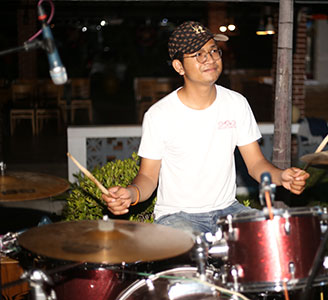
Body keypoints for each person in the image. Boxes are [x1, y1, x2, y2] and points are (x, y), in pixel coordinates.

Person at [102, 21, 310, 235]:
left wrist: (281, 176)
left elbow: (256, 163)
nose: (210, 59)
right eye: (199, 54)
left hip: (227, 210)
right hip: (178, 216)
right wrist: (130, 194)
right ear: (179, 66)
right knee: (189, 259)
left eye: (213, 51)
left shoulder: (236, 103)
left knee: (269, 238)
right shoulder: (159, 115)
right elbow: (147, 177)